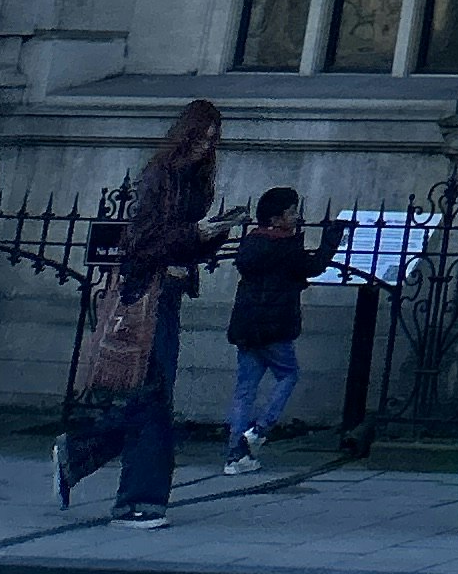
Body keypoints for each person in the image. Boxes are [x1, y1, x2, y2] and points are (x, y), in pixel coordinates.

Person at [56, 98, 229, 525]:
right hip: (146, 294)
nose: (204, 148)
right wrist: (193, 232)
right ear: (183, 135)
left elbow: (182, 245)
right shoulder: (159, 177)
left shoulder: (194, 182)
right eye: (199, 138)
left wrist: (211, 236)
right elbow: (140, 244)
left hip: (168, 293)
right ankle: (136, 499)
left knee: (152, 396)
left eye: (212, 141)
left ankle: (82, 455)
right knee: (153, 397)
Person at [219, 185, 340, 472]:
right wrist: (331, 240)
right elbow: (314, 266)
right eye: (292, 212)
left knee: (244, 389)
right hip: (275, 326)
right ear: (276, 218)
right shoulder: (285, 247)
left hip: (247, 325)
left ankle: (235, 454)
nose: (297, 217)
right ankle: (260, 430)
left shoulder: (251, 243)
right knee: (288, 375)